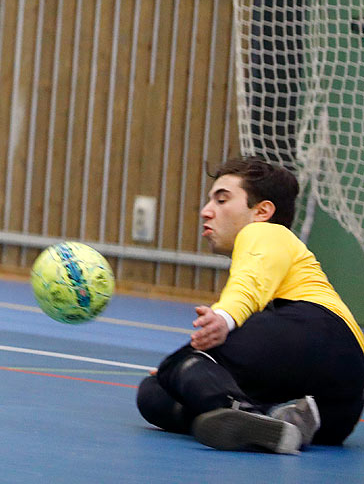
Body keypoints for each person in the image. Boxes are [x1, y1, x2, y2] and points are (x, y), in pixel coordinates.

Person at [136, 157, 364, 453]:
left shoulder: (264, 232)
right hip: (339, 401)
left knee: (178, 366)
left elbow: (249, 282)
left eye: (221, 200)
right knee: (154, 394)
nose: (206, 212)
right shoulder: (277, 256)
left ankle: (244, 413)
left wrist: (224, 317)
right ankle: (280, 423)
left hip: (316, 329)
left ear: (262, 211)